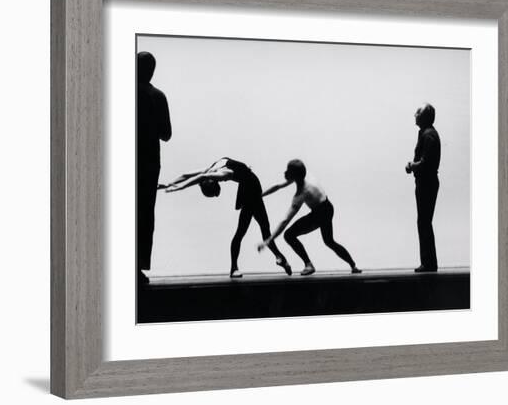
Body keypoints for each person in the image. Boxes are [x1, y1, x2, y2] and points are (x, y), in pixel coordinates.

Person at [164, 157, 292, 278]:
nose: (220, 180)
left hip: (251, 189)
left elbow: (192, 176)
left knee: (258, 230)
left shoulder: (216, 172)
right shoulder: (215, 170)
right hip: (250, 190)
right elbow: (188, 176)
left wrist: (178, 186)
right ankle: (276, 258)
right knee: (254, 230)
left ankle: (276, 258)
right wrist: (170, 184)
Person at [257, 159, 361, 276]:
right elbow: (278, 186)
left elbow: (285, 221)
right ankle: (353, 266)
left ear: (294, 175)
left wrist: (269, 240)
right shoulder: (305, 177)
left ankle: (308, 265)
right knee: (329, 241)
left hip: (320, 213)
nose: (284, 173)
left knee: (289, 235)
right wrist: (260, 195)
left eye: (288, 171)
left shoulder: (302, 193)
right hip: (328, 207)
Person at [137, 52, 172, 285]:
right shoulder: (157, 96)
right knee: (145, 213)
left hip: (126, 159)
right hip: (149, 162)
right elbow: (166, 134)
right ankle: (137, 266)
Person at [405, 103, 441, 273]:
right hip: (427, 183)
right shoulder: (427, 134)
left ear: (424, 116)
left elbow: (426, 163)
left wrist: (412, 166)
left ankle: (428, 263)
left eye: (418, 112)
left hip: (426, 183)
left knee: (424, 222)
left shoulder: (428, 136)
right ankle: (428, 262)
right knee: (424, 222)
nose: (415, 114)